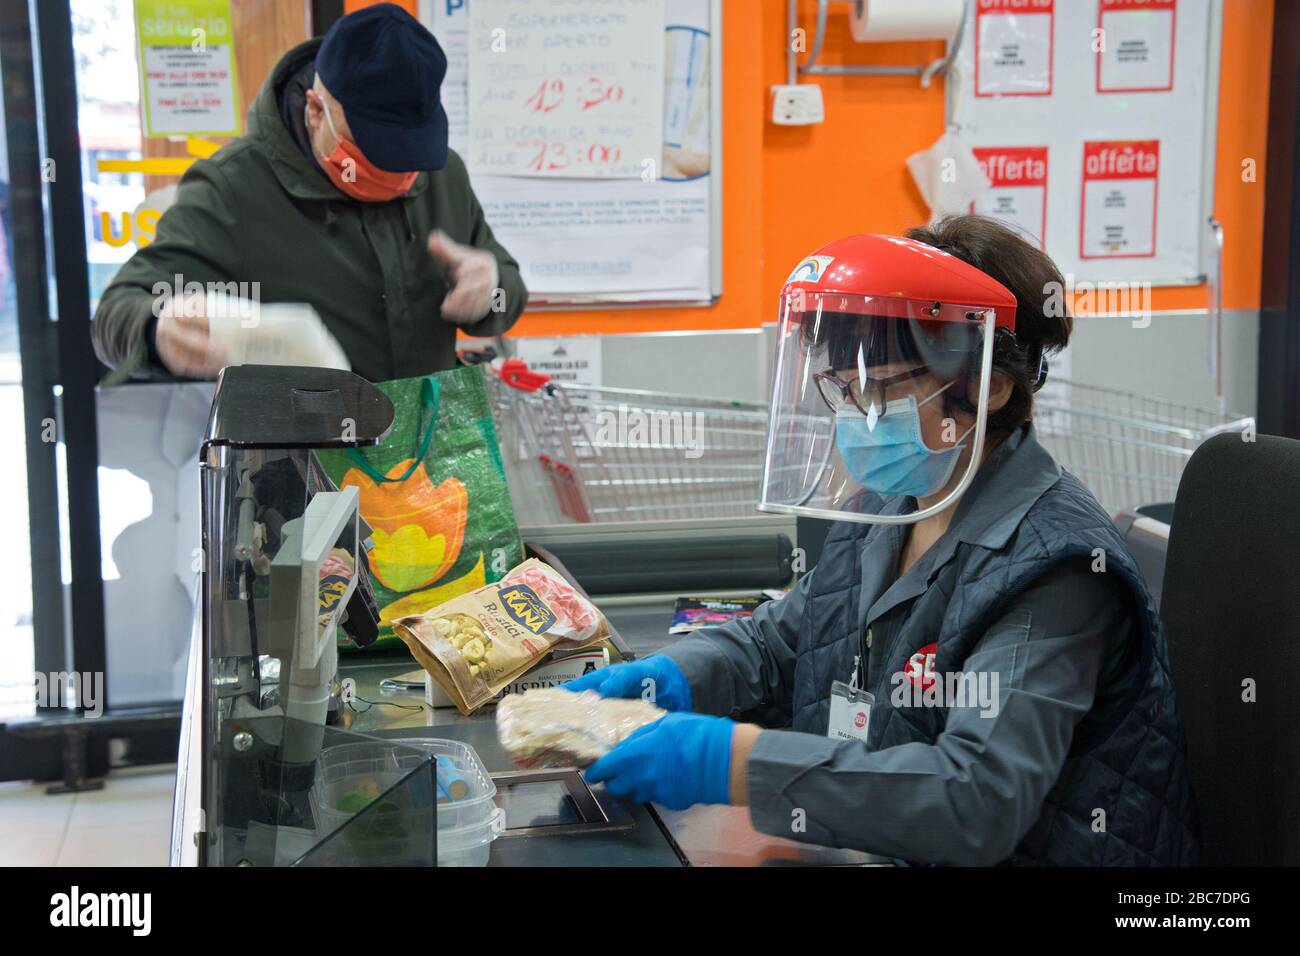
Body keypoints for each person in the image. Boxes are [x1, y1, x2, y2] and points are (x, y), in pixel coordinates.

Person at [568, 216, 1199, 866]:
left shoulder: (1057, 568)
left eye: (883, 388)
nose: (856, 413)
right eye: (844, 388)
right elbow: (780, 641)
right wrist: (667, 680)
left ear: (989, 386)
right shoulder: (892, 507)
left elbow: (974, 800)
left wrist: (722, 761)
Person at [91, 3, 526, 383]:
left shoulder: (444, 174)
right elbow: (115, 315)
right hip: (299, 471)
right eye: (376, 154)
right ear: (316, 111)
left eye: (410, 158)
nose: (400, 177)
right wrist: (156, 330)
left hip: (432, 465)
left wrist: (491, 288)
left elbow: (509, 291)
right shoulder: (233, 190)